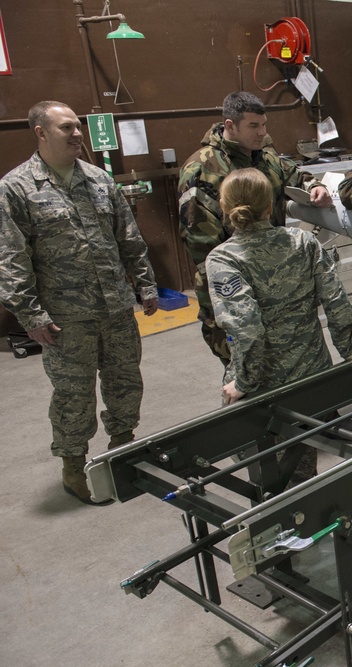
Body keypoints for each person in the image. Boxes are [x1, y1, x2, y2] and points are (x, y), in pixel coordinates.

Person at [0, 101, 159, 504]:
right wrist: (29, 314)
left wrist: (145, 284)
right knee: (73, 394)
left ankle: (123, 449)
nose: (77, 134)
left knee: (125, 382)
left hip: (116, 308)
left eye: (79, 127)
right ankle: (74, 466)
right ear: (40, 132)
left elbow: (129, 237)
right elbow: (10, 257)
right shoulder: (16, 188)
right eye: (67, 128)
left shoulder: (98, 179)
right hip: (64, 318)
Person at [206, 168, 352, 488]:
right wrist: (348, 350)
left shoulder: (223, 258)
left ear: (223, 206)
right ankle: (303, 504)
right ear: (270, 207)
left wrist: (243, 382)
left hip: (264, 386)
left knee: (260, 458)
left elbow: (247, 328)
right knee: (301, 449)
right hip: (311, 377)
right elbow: (336, 299)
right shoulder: (302, 241)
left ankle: (278, 516)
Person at [178, 91, 332, 366]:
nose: (262, 132)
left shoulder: (264, 157)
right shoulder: (202, 169)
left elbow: (296, 174)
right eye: (253, 126)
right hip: (234, 283)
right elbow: (203, 247)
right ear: (230, 126)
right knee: (247, 364)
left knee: (287, 357)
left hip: (275, 279)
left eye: (264, 125)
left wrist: (314, 185)